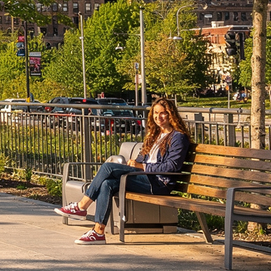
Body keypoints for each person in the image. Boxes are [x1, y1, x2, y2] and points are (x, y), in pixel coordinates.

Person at [56, 97, 191, 244]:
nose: (158, 117)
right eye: (155, 113)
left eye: (163, 113)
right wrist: (135, 164)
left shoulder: (178, 137)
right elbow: (142, 159)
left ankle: (81, 206)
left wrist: (142, 167)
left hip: (159, 183)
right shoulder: (154, 135)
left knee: (108, 167)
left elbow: (172, 166)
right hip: (145, 177)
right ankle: (98, 232)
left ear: (171, 114)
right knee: (107, 183)